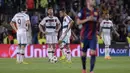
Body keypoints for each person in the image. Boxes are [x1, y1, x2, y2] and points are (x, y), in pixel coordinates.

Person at [76, 0, 98, 73]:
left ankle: (91, 70)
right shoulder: (83, 11)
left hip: (93, 36)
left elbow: (97, 21)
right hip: (84, 36)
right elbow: (78, 22)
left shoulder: (96, 11)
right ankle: (84, 69)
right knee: (83, 54)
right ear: (88, 2)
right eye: (92, 0)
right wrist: (87, 19)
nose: (94, 1)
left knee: (93, 53)